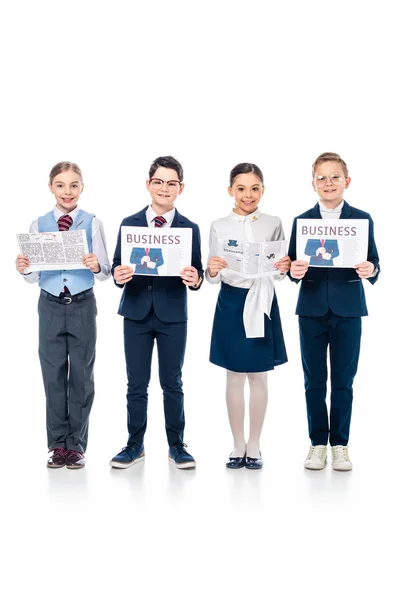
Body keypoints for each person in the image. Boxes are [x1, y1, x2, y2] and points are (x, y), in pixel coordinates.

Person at [15, 161, 111, 469]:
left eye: (73, 185)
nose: (67, 191)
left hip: (82, 303)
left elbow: (105, 272)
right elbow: (32, 277)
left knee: (82, 375)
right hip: (50, 304)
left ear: (82, 188)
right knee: (53, 374)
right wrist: (25, 267)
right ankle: (57, 445)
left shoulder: (92, 223)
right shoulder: (38, 224)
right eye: (60, 185)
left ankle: (77, 445)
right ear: (50, 187)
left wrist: (95, 264)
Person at [110, 156, 203, 470]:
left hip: (172, 315)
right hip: (136, 312)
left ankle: (177, 445)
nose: (165, 188)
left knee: (172, 382)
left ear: (181, 187)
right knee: (136, 384)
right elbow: (117, 265)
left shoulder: (189, 228)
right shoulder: (129, 223)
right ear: (148, 184)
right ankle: (134, 445)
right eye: (158, 181)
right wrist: (117, 274)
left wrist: (196, 279)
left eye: (172, 182)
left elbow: (198, 272)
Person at [288, 152, 380, 471]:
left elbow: (374, 262)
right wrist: (294, 271)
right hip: (311, 309)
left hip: (348, 310)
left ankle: (340, 444)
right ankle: (317, 444)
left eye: (335, 177)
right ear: (313, 183)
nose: (328, 183)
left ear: (346, 181)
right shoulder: (302, 221)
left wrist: (372, 268)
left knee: (343, 379)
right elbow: (291, 265)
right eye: (322, 177)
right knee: (314, 380)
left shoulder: (362, 219)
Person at [206, 163, 290, 470]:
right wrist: (212, 270)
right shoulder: (218, 225)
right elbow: (212, 274)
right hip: (231, 301)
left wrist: (283, 268)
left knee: (258, 375)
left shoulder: (273, 222)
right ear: (230, 191)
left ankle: (254, 443)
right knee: (233, 375)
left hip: (262, 299)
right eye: (241, 188)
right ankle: (237, 443)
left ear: (263, 190)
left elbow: (280, 271)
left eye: (255, 188)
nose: (248, 194)